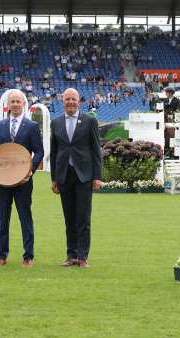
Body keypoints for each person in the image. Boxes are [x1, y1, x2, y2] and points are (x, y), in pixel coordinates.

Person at [0, 90, 44, 268]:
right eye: (12, 101)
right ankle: (1, 256)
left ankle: (28, 256)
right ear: (8, 104)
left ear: (23, 104)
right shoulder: (0, 126)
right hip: (3, 181)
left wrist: (29, 171)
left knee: (25, 217)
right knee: (2, 218)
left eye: (17, 101)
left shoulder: (31, 126)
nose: (15, 104)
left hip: (23, 181)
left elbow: (39, 152)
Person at [50, 88, 102, 268]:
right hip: (64, 176)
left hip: (84, 176)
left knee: (83, 218)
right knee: (69, 218)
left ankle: (82, 257)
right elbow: (55, 151)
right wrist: (54, 179)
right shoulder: (55, 123)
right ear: (62, 102)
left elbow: (96, 150)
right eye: (67, 99)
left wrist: (97, 177)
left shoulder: (90, 121)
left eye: (73, 99)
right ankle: (71, 255)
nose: (70, 102)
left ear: (79, 101)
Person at [163, 87, 180, 157]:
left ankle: (172, 149)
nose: (166, 94)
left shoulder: (177, 100)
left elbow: (178, 110)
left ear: (170, 93)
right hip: (165, 118)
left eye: (166, 92)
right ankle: (166, 148)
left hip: (172, 119)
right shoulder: (165, 100)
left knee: (172, 134)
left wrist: (172, 115)